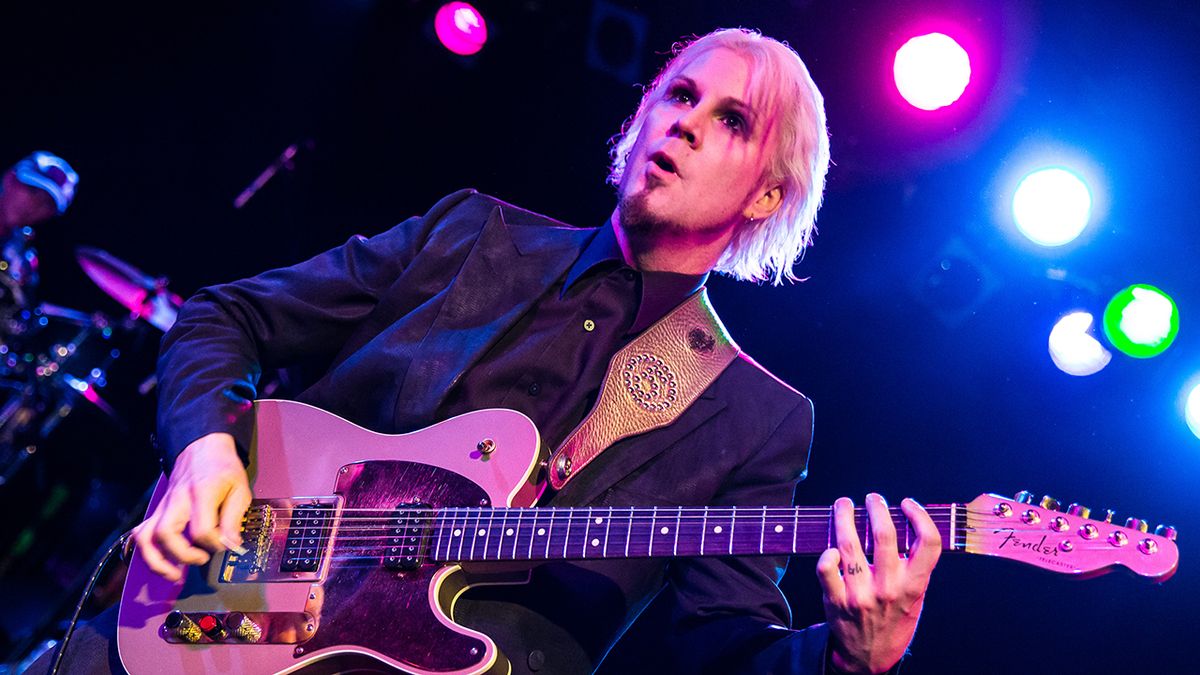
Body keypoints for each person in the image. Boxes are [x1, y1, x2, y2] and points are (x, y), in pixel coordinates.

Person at [42, 28, 941, 674]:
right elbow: (224, 316)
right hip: (205, 610)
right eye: (678, 94)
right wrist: (203, 450)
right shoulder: (472, 235)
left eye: (733, 120)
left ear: (765, 196)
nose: (687, 123)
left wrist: (852, 659)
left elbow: (721, 643)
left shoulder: (752, 417)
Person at [0, 150, 79, 316]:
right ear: (9, 178)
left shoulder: (19, 256)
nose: (35, 205)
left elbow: (30, 314)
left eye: (47, 204)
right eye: (33, 191)